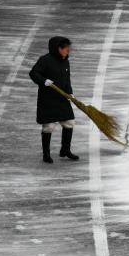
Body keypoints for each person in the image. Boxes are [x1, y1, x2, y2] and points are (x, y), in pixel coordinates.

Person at [28, 36, 78, 164]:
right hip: (48, 99)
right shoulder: (45, 60)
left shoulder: (65, 61)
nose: (68, 50)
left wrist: (70, 93)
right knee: (48, 127)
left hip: (62, 98)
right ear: (58, 49)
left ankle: (65, 150)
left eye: (68, 48)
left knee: (69, 123)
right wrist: (44, 81)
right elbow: (33, 73)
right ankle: (46, 154)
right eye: (65, 48)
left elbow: (67, 79)